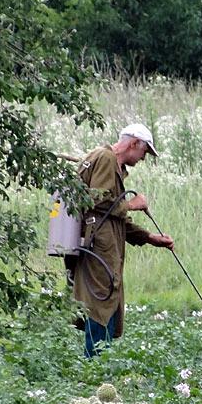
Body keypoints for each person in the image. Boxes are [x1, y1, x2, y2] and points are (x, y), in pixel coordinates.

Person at [67, 123, 174, 357]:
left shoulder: (108, 161)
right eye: (145, 152)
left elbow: (111, 217)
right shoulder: (105, 158)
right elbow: (97, 202)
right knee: (100, 306)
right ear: (134, 143)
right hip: (99, 251)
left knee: (104, 306)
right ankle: (94, 369)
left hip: (101, 248)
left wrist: (148, 238)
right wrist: (132, 205)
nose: (143, 158)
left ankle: (98, 367)